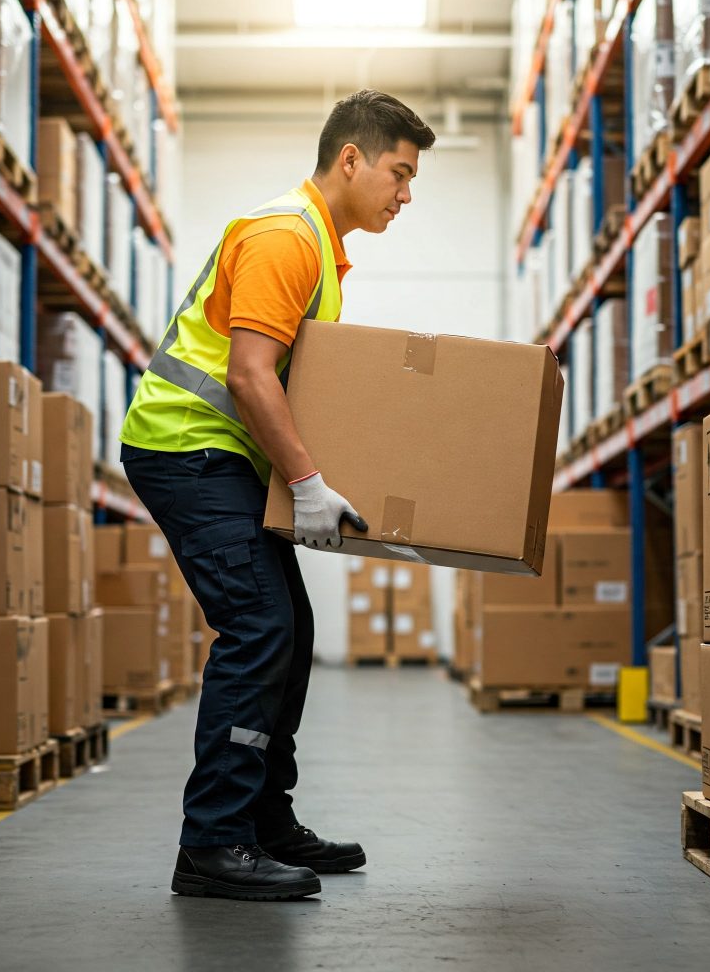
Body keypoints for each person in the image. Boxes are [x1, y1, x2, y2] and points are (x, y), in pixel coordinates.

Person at [119, 89, 436, 901]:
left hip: (224, 456)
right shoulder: (284, 237)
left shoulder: (321, 250)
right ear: (351, 159)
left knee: (290, 627)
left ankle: (263, 821)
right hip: (187, 447)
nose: (407, 194)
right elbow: (249, 376)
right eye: (400, 174)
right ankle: (213, 841)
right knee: (259, 626)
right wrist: (306, 484)